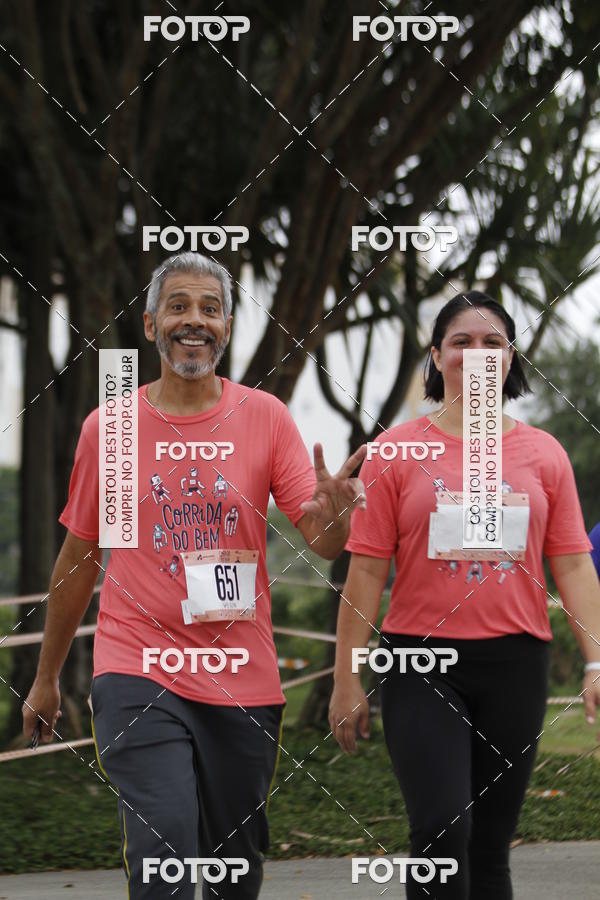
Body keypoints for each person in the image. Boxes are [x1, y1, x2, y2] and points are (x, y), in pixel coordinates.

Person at [22, 251, 366, 900]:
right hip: (137, 667)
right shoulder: (115, 429)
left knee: (235, 874)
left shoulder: (264, 417)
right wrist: (46, 678)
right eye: (178, 306)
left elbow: (319, 539)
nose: (194, 320)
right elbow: (80, 560)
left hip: (241, 678)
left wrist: (337, 517)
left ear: (228, 329)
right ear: (150, 326)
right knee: (165, 856)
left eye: (210, 309)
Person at [329, 290, 600, 899]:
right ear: (436, 356)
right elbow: (367, 572)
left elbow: (575, 567)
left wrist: (596, 660)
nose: (476, 353)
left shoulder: (544, 454)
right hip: (421, 664)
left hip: (516, 664)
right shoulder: (394, 452)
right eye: (461, 341)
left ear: (510, 358)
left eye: (492, 342)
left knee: (489, 848)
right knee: (440, 829)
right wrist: (347, 676)